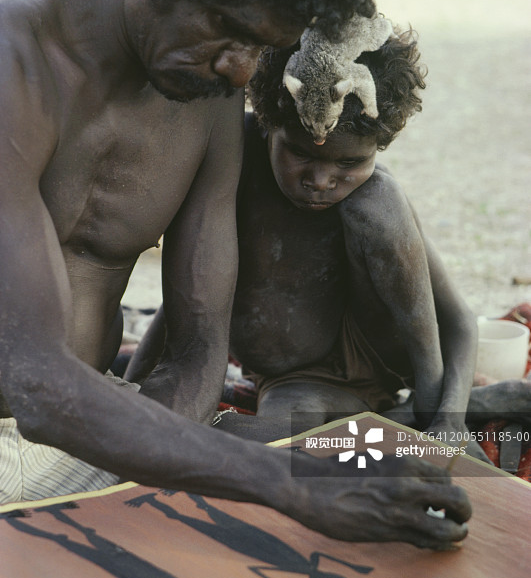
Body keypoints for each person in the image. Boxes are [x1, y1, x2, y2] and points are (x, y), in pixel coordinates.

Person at [0, 0, 471, 549]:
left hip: (90, 425)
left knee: (391, 501)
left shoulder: (208, 98)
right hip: (42, 420)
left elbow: (199, 347)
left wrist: (164, 457)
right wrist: (279, 482)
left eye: (262, 46)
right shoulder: (14, 62)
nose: (242, 70)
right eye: (228, 26)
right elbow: (36, 381)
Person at [130, 25, 498, 460]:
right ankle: (423, 418)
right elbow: (189, 284)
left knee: (378, 199)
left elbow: (456, 320)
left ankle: (423, 410)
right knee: (286, 444)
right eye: (301, 153)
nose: (321, 180)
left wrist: (447, 417)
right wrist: (134, 388)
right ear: (270, 124)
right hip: (294, 383)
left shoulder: (372, 198)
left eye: (350, 161)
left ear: (379, 145)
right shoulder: (233, 160)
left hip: (379, 358)